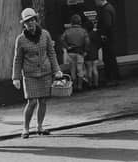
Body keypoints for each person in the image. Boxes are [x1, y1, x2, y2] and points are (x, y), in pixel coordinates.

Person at [12, 8, 62, 139]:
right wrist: (16, 77)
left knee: (43, 101)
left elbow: (51, 53)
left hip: (45, 72)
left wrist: (57, 70)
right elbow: (17, 59)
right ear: (24, 24)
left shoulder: (45, 34)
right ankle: (26, 128)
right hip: (30, 75)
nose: (31, 23)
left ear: (36, 20)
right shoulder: (21, 39)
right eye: (27, 21)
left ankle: (40, 126)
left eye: (32, 20)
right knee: (32, 102)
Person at [94, 0, 120, 86]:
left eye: (96, 1)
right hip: (111, 37)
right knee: (111, 57)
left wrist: (103, 34)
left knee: (108, 58)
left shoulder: (105, 10)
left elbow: (107, 24)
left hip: (108, 38)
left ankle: (111, 78)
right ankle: (114, 77)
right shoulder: (110, 7)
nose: (95, 3)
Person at [60, 14, 89, 91]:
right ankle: (80, 86)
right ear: (80, 22)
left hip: (70, 52)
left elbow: (62, 39)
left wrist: (67, 47)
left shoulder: (67, 31)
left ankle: (74, 86)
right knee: (80, 69)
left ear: (71, 22)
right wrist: (85, 50)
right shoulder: (83, 31)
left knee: (72, 70)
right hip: (80, 52)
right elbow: (87, 41)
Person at [84, 20, 102, 89]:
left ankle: (90, 84)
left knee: (89, 69)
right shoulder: (96, 34)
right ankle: (96, 84)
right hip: (95, 52)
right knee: (95, 69)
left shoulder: (85, 35)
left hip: (88, 54)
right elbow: (99, 43)